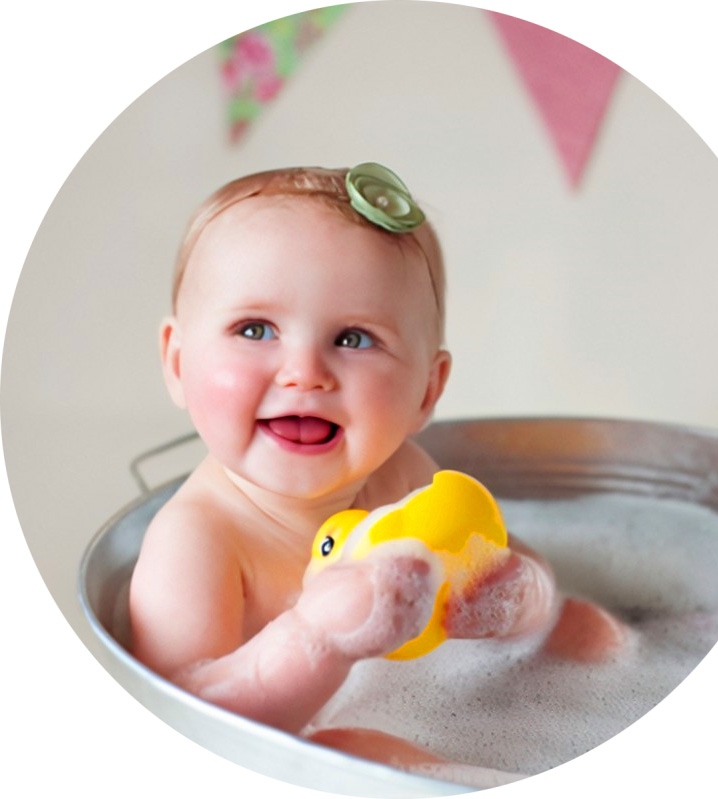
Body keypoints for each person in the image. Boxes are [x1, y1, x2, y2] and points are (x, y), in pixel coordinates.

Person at [129, 163, 625, 779]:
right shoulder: (197, 539)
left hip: (458, 715)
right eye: (255, 329)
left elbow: (514, 560)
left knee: (586, 629)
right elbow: (185, 721)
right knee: (348, 751)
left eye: (354, 339)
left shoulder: (401, 476)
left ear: (426, 391)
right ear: (178, 364)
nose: (304, 373)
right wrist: (318, 638)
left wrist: (517, 597)